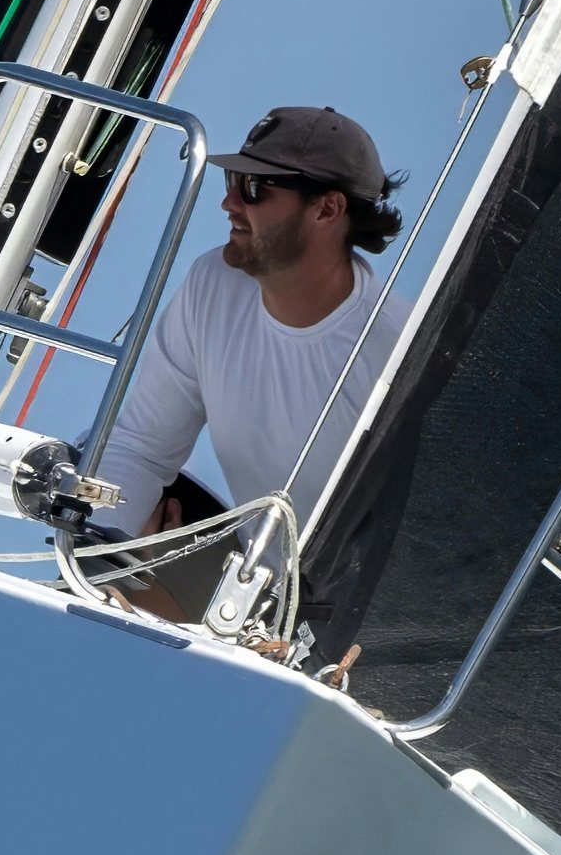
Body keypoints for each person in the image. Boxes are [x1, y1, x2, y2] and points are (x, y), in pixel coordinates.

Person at [83, 103, 415, 574]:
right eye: (232, 180)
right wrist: (100, 564)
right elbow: (141, 447)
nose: (229, 204)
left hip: (357, 601)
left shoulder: (398, 349)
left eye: (255, 188)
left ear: (327, 209)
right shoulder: (213, 284)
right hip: (250, 586)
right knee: (98, 482)